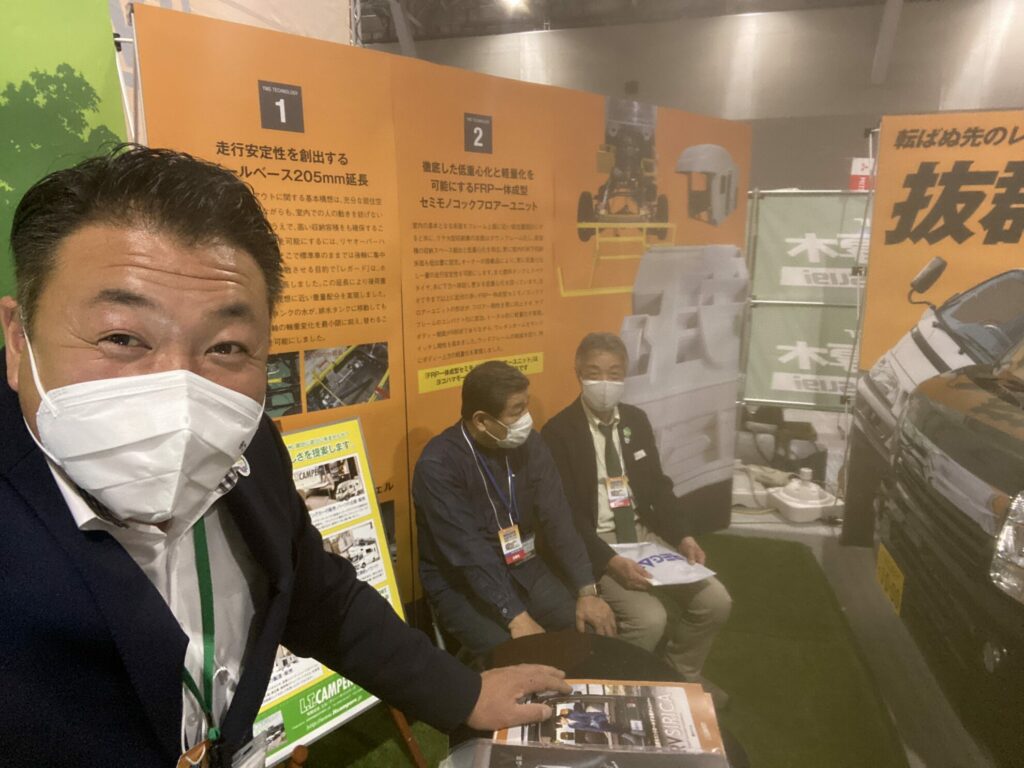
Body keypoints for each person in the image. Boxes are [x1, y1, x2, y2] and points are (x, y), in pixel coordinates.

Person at [0, 145, 569, 767]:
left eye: (226, 346)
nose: (180, 393)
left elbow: (316, 596)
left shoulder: (251, 447)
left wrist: (462, 693)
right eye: (121, 337)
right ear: (17, 340)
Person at [541, 333, 732, 706]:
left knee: (715, 601)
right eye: (594, 372)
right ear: (578, 373)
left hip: (644, 537)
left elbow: (658, 487)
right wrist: (610, 561)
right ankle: (619, 689)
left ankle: (677, 676)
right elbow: (566, 517)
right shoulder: (558, 433)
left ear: (625, 375)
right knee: (649, 619)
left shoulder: (636, 421)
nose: (604, 382)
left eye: (614, 373)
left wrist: (683, 537)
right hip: (597, 543)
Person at [413, 360, 616, 657]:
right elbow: (469, 552)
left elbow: (558, 517)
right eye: (517, 410)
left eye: (526, 406)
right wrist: (516, 615)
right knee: (523, 657)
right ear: (482, 420)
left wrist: (587, 590)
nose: (526, 419)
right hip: (462, 584)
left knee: (586, 631)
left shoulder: (530, 444)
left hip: (524, 564)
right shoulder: (438, 466)